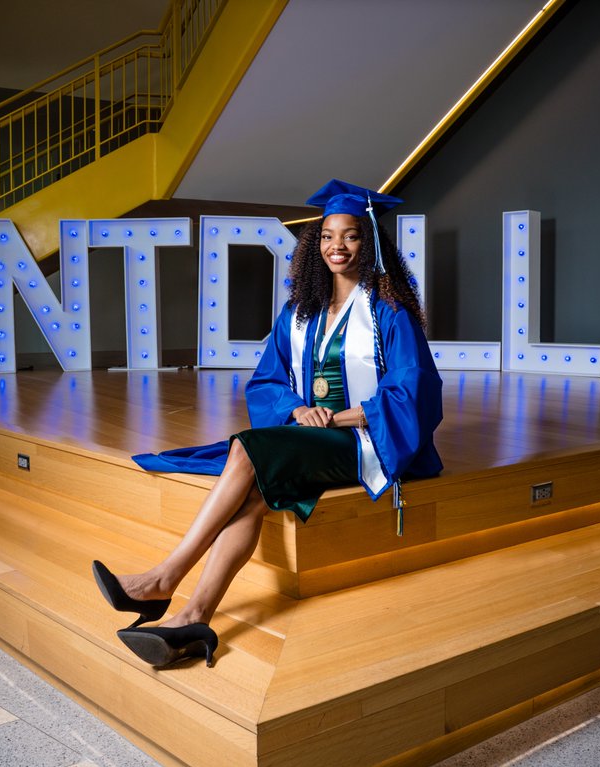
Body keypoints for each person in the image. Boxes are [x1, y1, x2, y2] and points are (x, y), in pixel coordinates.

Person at [92, 179, 443, 668]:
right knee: (254, 492)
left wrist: (335, 418)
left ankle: (163, 580)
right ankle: (194, 616)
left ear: (371, 244)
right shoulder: (299, 313)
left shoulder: (390, 312)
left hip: (366, 443)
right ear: (314, 245)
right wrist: (299, 411)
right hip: (309, 434)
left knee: (246, 450)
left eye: (351, 236)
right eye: (326, 236)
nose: (336, 246)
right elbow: (266, 381)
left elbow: (413, 392)